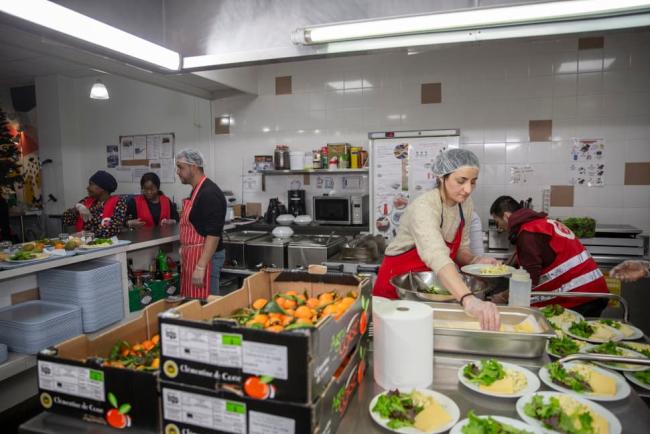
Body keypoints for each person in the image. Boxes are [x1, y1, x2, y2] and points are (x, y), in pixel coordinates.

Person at [373, 148, 501, 331]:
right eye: (461, 181)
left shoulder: (465, 205)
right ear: (442, 177)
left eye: (473, 182)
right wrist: (468, 300)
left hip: (426, 290)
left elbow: (461, 249)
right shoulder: (424, 207)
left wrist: (476, 260)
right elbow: (437, 255)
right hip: (399, 290)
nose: (468, 190)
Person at [489, 195, 609, 317]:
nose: (499, 227)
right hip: (595, 290)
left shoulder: (528, 234)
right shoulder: (542, 223)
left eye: (497, 221)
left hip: (581, 296)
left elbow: (529, 281)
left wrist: (503, 297)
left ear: (506, 216)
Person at [175, 149, 226, 298]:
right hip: (195, 255)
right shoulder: (197, 191)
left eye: (181, 167)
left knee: (207, 305)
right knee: (194, 303)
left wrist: (201, 265)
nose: (178, 172)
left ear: (194, 167)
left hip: (206, 258)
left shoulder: (209, 193)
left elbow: (213, 234)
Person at [62, 170, 127, 238]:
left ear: (102, 188)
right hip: (82, 244)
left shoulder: (118, 203)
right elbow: (65, 220)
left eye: (91, 184)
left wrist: (85, 234)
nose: (87, 187)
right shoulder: (86, 201)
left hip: (106, 245)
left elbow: (112, 229)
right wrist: (76, 208)